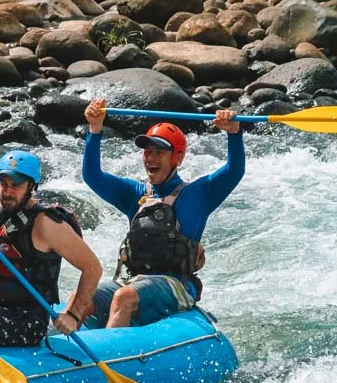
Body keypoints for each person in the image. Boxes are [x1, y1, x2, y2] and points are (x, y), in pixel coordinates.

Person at [82, 98, 243, 327]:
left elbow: (234, 171)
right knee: (84, 296)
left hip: (176, 285)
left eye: (159, 152)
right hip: (135, 281)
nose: (151, 158)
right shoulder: (134, 193)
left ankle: (112, 360)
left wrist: (234, 134)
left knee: (124, 297)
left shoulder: (199, 194)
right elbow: (92, 176)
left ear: (177, 158)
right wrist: (95, 129)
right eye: (147, 152)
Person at [0, 150, 102, 347]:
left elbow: (92, 268)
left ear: (32, 186)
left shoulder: (47, 224)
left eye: (16, 185)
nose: (8, 192)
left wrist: (73, 314)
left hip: (26, 319)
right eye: (3, 184)